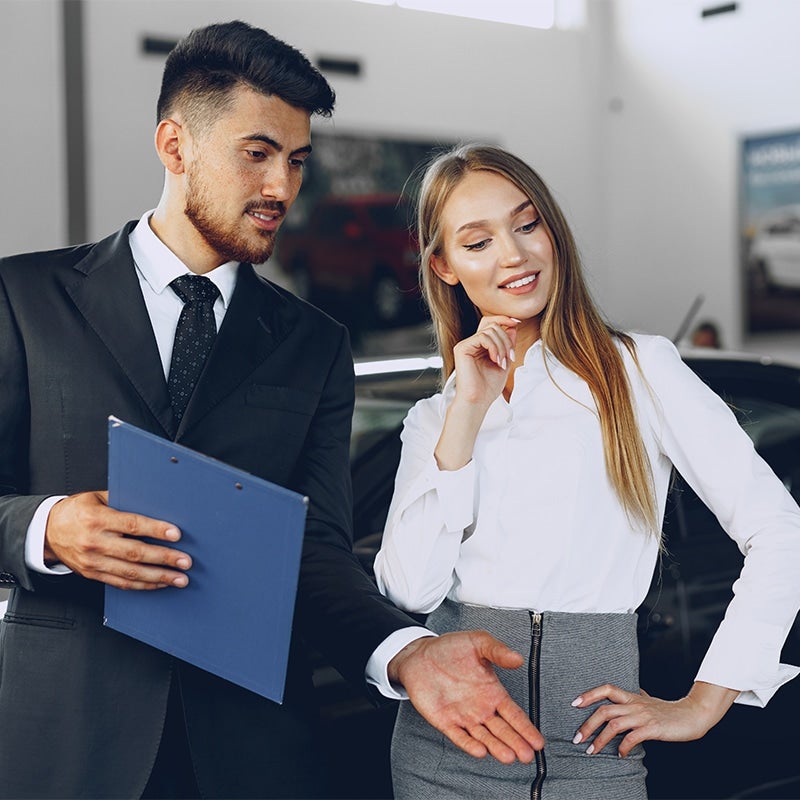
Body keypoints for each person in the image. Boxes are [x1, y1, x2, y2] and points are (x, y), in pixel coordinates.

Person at [0, 28, 542, 799]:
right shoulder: (24, 301)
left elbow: (316, 553)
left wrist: (407, 651)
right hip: (63, 743)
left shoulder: (313, 345)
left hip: (251, 753)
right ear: (175, 144)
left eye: (295, 161)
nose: (282, 188)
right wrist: (46, 527)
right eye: (257, 154)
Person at [373, 144, 800, 799]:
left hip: (593, 760)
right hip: (439, 761)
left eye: (527, 224)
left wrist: (703, 702)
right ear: (444, 265)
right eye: (479, 241)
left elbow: (780, 530)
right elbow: (408, 593)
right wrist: (467, 412)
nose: (514, 255)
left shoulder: (641, 372)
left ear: (553, 229)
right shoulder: (436, 419)